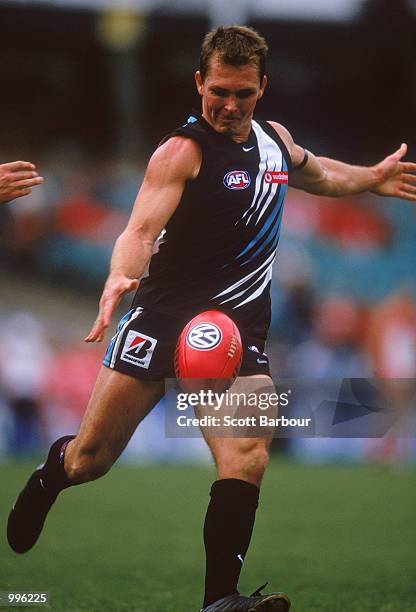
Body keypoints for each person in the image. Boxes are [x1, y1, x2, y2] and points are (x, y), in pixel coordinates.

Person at [7, 26, 416, 612]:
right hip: (160, 319)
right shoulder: (181, 151)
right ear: (200, 82)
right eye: (217, 91)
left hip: (235, 332)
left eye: (243, 93)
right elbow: (140, 230)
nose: (228, 105)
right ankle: (53, 473)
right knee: (91, 459)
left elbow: (319, 173)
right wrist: (121, 274)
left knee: (248, 452)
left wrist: (371, 179)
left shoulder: (275, 143)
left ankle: (219, 601)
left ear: (262, 89)